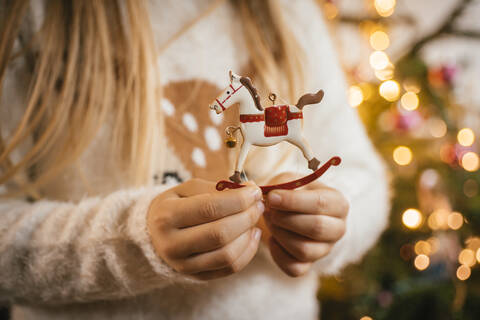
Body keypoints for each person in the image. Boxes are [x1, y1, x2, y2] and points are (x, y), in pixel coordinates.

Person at [0, 1, 389, 319]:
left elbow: (361, 177)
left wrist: (327, 217)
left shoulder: (288, 11)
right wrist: (132, 240)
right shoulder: (32, 15)